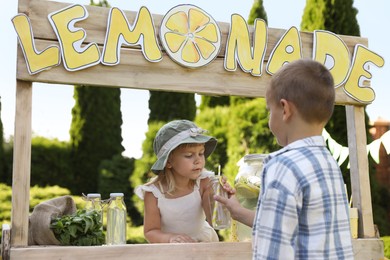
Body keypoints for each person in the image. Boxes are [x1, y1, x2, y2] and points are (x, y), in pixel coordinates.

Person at [215, 59, 354, 259]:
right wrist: (239, 212)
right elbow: (299, 227)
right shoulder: (328, 163)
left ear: (285, 109)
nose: (270, 118)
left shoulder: (282, 166)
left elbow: (272, 251)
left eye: (269, 110)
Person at [135, 119, 220, 243]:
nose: (198, 160)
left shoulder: (203, 182)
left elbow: (214, 219)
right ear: (168, 162)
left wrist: (219, 195)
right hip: (172, 248)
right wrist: (171, 238)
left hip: (203, 243)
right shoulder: (153, 194)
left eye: (201, 153)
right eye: (189, 155)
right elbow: (150, 232)